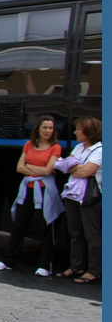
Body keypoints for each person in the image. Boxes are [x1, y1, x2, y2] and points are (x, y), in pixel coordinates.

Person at [0, 115, 64, 276]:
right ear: (38, 129)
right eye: (45, 127)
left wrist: (30, 167)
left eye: (51, 128)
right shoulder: (29, 144)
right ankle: (8, 260)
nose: (48, 131)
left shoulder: (55, 147)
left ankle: (45, 265)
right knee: (19, 225)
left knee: (46, 226)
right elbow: (19, 168)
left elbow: (48, 171)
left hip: (45, 190)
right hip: (28, 189)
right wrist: (38, 170)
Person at [55, 117, 102, 284]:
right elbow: (63, 166)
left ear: (88, 132)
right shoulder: (79, 147)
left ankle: (94, 270)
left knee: (92, 235)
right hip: (72, 195)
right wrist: (75, 167)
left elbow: (85, 172)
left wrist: (73, 167)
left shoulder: (100, 150)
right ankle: (77, 266)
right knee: (75, 233)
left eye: (78, 129)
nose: (74, 132)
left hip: (90, 198)